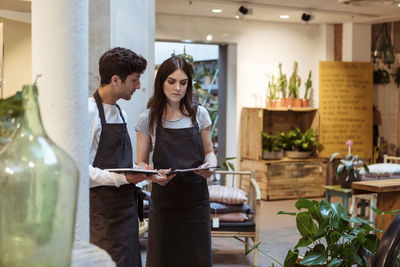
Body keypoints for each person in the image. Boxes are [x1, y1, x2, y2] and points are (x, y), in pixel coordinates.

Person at [89, 47, 168, 267]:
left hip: (126, 206)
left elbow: (120, 164)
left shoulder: (120, 112)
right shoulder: (89, 113)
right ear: (116, 80)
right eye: (134, 80)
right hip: (104, 212)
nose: (138, 86)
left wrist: (147, 174)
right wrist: (124, 177)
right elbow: (82, 169)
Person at [135, 56, 217, 267]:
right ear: (161, 81)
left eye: (183, 82)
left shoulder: (199, 114)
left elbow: (210, 152)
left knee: (196, 258)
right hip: (164, 202)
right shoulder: (148, 118)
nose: (177, 88)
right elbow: (142, 162)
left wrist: (210, 166)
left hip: (196, 202)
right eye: (171, 81)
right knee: (164, 258)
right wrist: (153, 175)